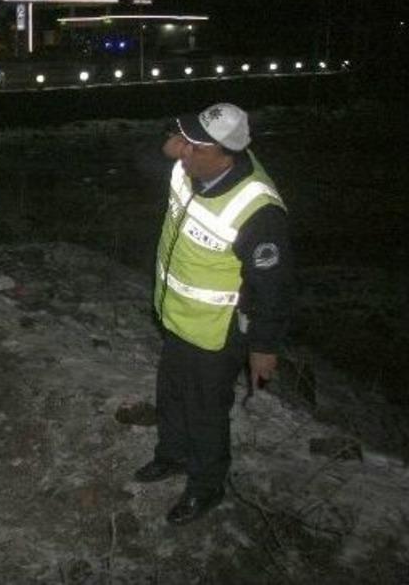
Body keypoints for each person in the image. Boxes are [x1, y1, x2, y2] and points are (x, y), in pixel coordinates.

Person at [135, 102, 292, 525]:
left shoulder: (258, 212)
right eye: (185, 140)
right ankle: (171, 455)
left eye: (195, 147)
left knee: (206, 412)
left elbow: (272, 289)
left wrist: (263, 348)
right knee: (170, 393)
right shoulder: (191, 167)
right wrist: (174, 147)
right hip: (176, 318)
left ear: (227, 154)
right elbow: (158, 157)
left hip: (216, 333)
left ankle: (206, 488)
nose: (184, 152)